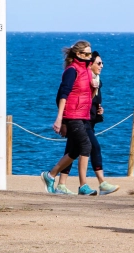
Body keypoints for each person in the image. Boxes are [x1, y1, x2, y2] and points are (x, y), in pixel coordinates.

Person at [55, 51, 119, 196]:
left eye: (102, 63)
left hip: (88, 120)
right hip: (77, 120)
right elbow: (63, 97)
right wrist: (63, 122)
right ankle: (99, 183)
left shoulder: (96, 81)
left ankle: (60, 183)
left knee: (72, 150)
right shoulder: (78, 77)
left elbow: (91, 102)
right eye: (98, 63)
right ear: (90, 65)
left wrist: (99, 110)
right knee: (92, 146)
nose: (102, 66)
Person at [41, 40, 97, 196]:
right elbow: (62, 95)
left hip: (83, 115)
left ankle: (50, 175)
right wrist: (60, 119)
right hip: (72, 115)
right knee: (86, 146)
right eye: (86, 54)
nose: (89, 57)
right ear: (78, 54)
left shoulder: (86, 71)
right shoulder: (72, 71)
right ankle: (83, 185)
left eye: (90, 54)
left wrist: (94, 88)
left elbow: (88, 96)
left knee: (74, 150)